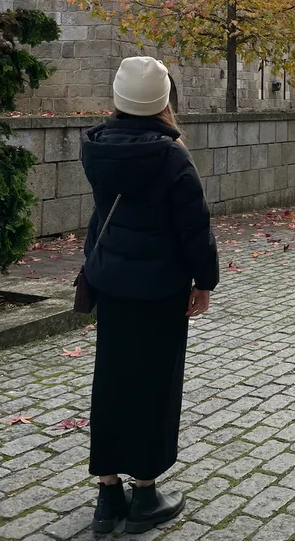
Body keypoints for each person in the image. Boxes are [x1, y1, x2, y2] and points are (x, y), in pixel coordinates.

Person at [81, 57, 219, 535]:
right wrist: (204, 282)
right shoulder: (171, 155)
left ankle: (107, 496)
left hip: (112, 281)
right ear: (163, 101)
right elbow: (194, 227)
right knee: (154, 385)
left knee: (111, 379)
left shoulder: (95, 147)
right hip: (160, 287)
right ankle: (144, 494)